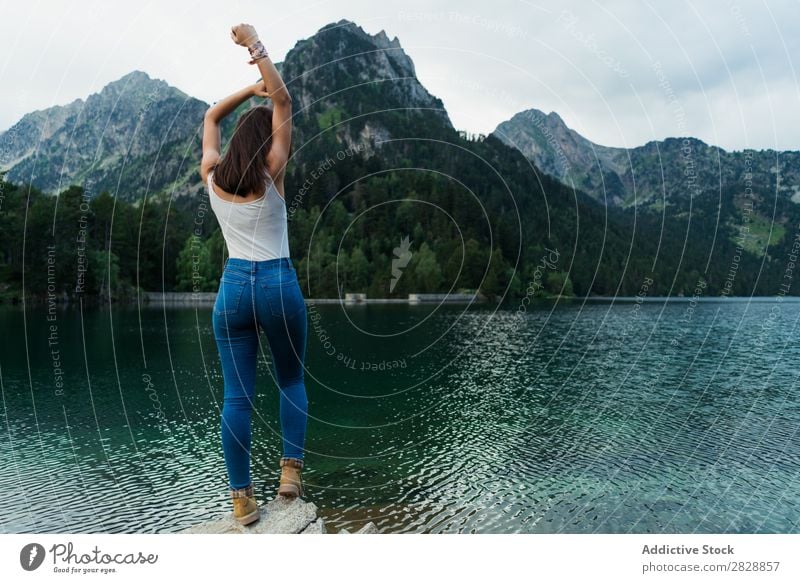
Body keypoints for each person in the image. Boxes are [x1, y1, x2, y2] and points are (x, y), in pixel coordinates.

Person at [200, 22, 307, 526]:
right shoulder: (273, 171)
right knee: (289, 379)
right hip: (277, 283)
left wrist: (247, 92)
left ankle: (241, 501)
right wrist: (257, 49)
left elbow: (210, 117)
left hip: (233, 291)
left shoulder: (212, 177)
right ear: (264, 142)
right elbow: (284, 103)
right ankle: (289, 474)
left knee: (236, 397)